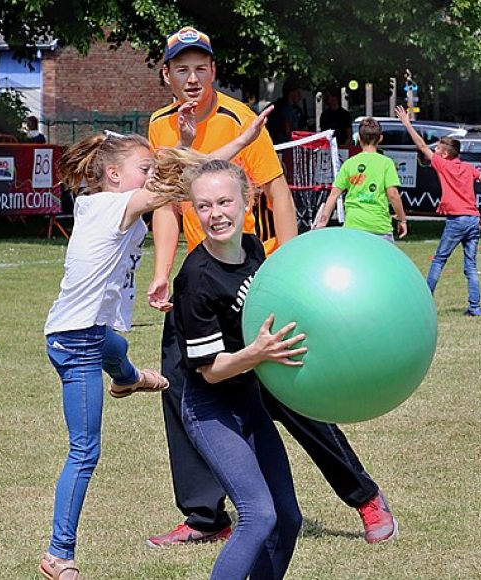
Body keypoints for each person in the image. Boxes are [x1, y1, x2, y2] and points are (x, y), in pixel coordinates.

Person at [146, 26, 396, 548]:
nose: (192, 78)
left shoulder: (241, 120)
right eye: (181, 69)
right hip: (197, 281)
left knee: (287, 396)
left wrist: (287, 268)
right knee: (182, 387)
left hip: (248, 275)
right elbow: (168, 206)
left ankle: (365, 495)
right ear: (166, 75)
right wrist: (161, 271)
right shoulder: (160, 126)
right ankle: (205, 516)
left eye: (201, 68)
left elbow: (279, 196)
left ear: (213, 71)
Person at [38, 122, 262, 579]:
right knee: (84, 451)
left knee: (115, 348)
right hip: (75, 343)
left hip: (94, 333)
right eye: (145, 168)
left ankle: (126, 376)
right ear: (115, 175)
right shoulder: (111, 205)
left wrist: (188, 149)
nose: (152, 174)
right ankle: (58, 554)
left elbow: (175, 177)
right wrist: (235, 144)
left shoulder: (110, 202)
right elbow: (179, 182)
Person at [164, 156, 305, 579]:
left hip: (250, 403)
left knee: (288, 518)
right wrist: (257, 353)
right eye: (204, 206)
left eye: (224, 202)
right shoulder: (195, 279)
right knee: (258, 515)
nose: (215, 214)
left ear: (247, 201)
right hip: (211, 409)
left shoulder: (254, 248)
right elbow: (211, 371)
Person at [394, 105, 481, 316]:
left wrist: (407, 123)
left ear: (444, 154)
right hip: (473, 220)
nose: (433, 151)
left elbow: (419, 145)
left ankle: (424, 304)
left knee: (438, 261)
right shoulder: (467, 167)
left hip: (456, 220)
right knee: (470, 267)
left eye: (436, 149)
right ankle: (475, 308)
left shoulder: (442, 165)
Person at [313, 117, 408, 239]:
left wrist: (322, 222)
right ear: (380, 138)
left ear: (359, 138)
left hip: (354, 227)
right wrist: (402, 219)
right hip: (379, 227)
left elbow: (333, 195)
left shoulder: (349, 163)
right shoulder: (387, 163)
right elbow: (393, 195)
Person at [266, 77, 306, 144]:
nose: (300, 96)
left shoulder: (291, 107)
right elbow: (288, 131)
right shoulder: (286, 108)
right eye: (298, 92)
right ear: (291, 93)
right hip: (285, 144)